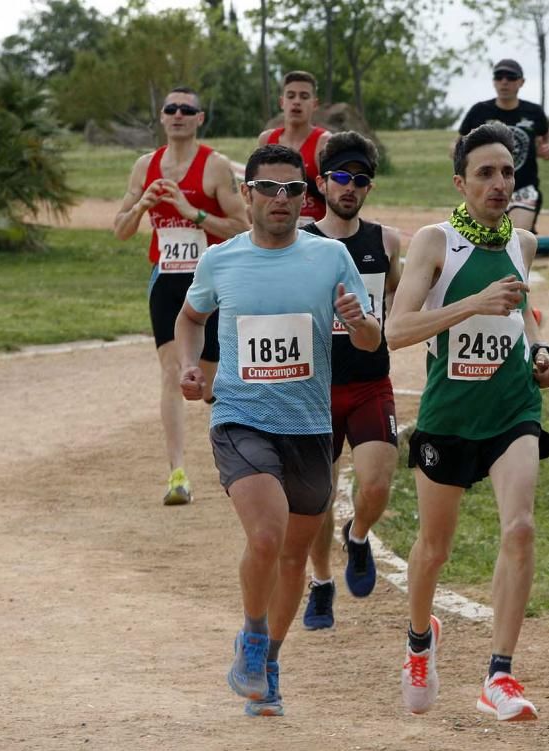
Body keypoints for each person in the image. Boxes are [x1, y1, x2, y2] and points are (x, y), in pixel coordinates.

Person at [176, 143, 379, 717]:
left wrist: (359, 323)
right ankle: (253, 636)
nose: (282, 199)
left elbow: (369, 339)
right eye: (270, 188)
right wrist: (190, 366)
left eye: (294, 189)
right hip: (241, 416)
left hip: (310, 427)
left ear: (304, 196)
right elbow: (191, 317)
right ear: (248, 194)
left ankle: (269, 662)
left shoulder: (329, 258)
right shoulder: (222, 261)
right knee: (265, 536)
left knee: (294, 558)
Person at [386, 123, 549, 721]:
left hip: (513, 408)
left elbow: (524, 314)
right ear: (461, 182)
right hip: (449, 415)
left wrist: (540, 351)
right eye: (485, 173)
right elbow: (396, 330)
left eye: (508, 172)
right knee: (434, 548)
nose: (499, 184)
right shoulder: (435, 243)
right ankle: (418, 639)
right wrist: (471, 305)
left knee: (520, 528)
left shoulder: (525, 242)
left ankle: (499, 675)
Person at [113, 86, 248, 506]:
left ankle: (237, 456)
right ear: (161, 116)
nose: (177, 115)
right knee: (172, 373)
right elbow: (119, 229)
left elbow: (242, 226)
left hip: (211, 281)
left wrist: (193, 213)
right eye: (170, 109)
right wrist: (141, 208)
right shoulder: (145, 166)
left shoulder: (215, 167)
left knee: (208, 381)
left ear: (199, 118)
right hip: (166, 280)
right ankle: (177, 474)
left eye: (186, 110)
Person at [298, 132, 403, 630]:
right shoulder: (302, 242)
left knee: (378, 483)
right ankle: (320, 583)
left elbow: (404, 303)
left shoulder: (385, 242)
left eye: (360, 180)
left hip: (369, 382)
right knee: (317, 495)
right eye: (341, 177)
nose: (350, 187)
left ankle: (358, 535)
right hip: (314, 387)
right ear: (321, 182)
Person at [456, 58, 549, 233]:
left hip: (524, 188)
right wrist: (457, 154)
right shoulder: (480, 111)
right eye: (499, 76)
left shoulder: (533, 112)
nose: (504, 82)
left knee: (514, 238)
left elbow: (547, 134)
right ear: (493, 81)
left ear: (521, 82)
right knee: (484, 239)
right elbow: (459, 142)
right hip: (487, 188)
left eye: (510, 77)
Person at [257, 71, 330, 227]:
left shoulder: (324, 142)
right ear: (282, 102)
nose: (296, 102)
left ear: (315, 104)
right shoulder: (267, 140)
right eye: (291, 96)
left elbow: (336, 195)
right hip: (276, 228)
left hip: (315, 232)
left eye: (304, 97)